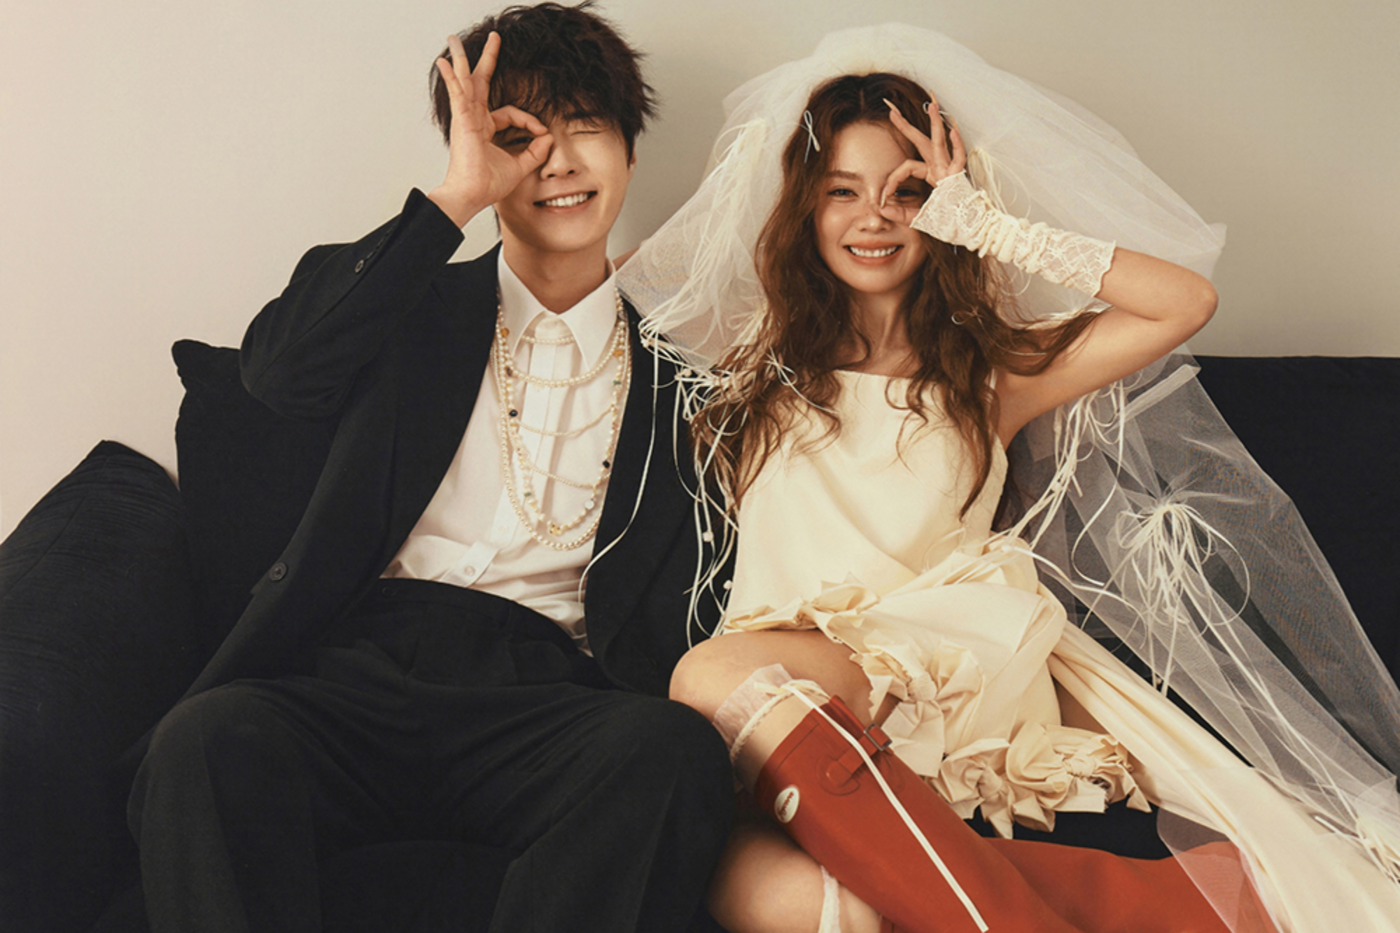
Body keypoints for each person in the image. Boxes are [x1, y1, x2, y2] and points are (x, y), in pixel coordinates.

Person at [618, 25, 1400, 933]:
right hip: (776, 693)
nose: (875, 217)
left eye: (907, 192)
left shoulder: (993, 372)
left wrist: (987, 225)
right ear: (805, 206)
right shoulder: (752, 355)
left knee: (710, 671)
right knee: (779, 892)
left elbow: (1185, 302)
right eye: (842, 191)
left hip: (934, 666)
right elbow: (608, 290)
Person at [125, 4, 733, 931]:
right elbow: (278, 375)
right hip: (362, 672)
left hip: (548, 698)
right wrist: (454, 200)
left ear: (630, 150)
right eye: (520, 137)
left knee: (672, 751)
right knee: (204, 742)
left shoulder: (689, 383)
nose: (557, 162)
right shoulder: (408, 304)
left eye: (585, 127)